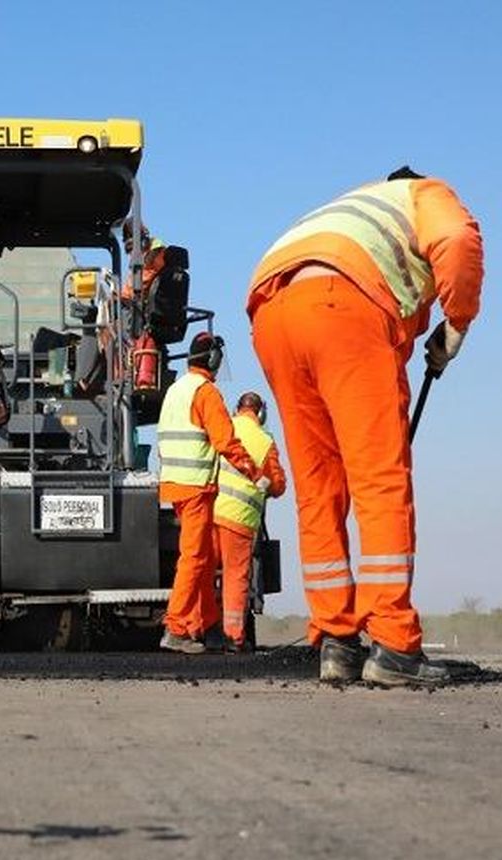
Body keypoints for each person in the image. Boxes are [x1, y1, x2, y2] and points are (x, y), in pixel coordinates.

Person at [246, 167, 484, 686]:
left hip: (272, 314)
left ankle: (337, 641)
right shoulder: (425, 193)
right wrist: (457, 325)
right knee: (380, 479)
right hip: (343, 306)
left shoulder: (351, 209)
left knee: (318, 489)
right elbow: (456, 239)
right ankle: (395, 647)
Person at [157, 332, 263, 654]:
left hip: (174, 485)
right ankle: (176, 628)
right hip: (196, 487)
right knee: (193, 558)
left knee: (200, 558)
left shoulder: (176, 390)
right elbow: (225, 442)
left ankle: (205, 625)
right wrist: (253, 472)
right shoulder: (206, 393)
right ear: (213, 360)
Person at [212, 392, 287, 652]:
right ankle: (233, 637)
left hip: (209, 512)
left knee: (201, 571)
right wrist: (263, 484)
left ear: (237, 408)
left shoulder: (224, 427)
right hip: (239, 518)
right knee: (235, 577)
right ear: (261, 413)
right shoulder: (265, 441)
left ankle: (194, 630)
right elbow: (278, 486)